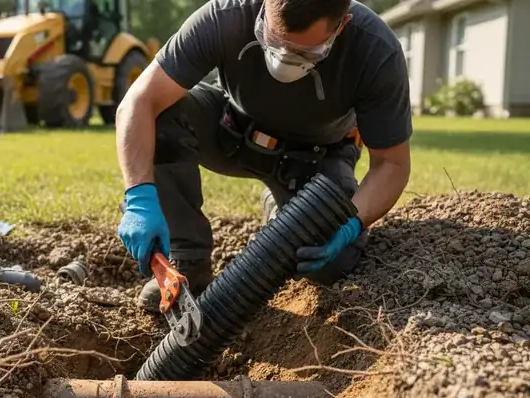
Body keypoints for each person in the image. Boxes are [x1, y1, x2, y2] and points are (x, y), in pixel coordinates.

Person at [115, 0, 412, 311]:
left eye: (304, 53)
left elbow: (391, 164)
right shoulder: (226, 16)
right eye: (272, 40)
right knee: (162, 117)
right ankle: (188, 260)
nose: (283, 59)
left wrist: (352, 223)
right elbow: (140, 101)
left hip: (315, 161)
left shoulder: (375, 50)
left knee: (329, 264)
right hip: (231, 131)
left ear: (341, 26)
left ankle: (284, 212)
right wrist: (139, 199)